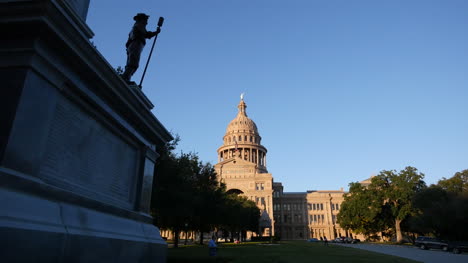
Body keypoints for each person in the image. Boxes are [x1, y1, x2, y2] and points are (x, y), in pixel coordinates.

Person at [121, 13, 160, 83]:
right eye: (146, 20)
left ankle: (127, 77)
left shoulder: (136, 26)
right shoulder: (139, 25)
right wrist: (156, 32)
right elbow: (147, 34)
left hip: (134, 45)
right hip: (136, 44)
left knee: (132, 62)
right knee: (133, 63)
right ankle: (125, 78)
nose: (147, 22)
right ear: (142, 19)